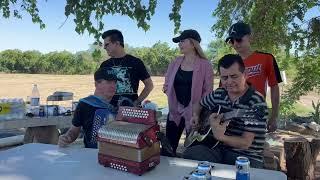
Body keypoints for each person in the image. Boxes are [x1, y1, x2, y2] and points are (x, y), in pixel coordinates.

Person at [184, 54, 268, 168]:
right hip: (218, 149)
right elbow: (198, 104)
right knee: (190, 153)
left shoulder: (256, 102)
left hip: (247, 155)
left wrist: (220, 137)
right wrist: (196, 116)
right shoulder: (219, 93)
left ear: (245, 74)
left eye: (234, 76)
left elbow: (245, 143)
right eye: (224, 77)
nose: (229, 82)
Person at [163, 29, 214, 156]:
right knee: (168, 148)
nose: (179, 44)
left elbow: (208, 91)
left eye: (182, 41)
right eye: (178, 42)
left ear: (193, 44)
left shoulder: (205, 65)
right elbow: (167, 82)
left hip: (196, 114)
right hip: (175, 111)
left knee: (194, 150)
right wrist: (167, 89)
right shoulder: (175, 62)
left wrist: (198, 111)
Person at [225, 22, 282, 132]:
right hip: (231, 116)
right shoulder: (229, 62)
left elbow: (274, 87)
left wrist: (274, 116)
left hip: (256, 114)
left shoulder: (266, 58)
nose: (235, 43)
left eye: (239, 39)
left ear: (250, 37)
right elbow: (223, 91)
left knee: (254, 147)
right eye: (232, 41)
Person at [58, 67, 119, 148]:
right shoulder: (84, 104)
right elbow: (74, 130)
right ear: (96, 84)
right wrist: (67, 137)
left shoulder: (122, 103)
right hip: (92, 152)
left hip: (119, 154)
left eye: (115, 82)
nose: (113, 86)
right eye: (108, 82)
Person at [100, 29, 153, 107]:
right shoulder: (105, 65)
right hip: (109, 110)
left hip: (130, 111)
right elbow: (100, 89)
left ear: (117, 43)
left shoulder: (136, 62)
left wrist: (137, 102)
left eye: (107, 44)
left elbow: (149, 85)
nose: (104, 47)